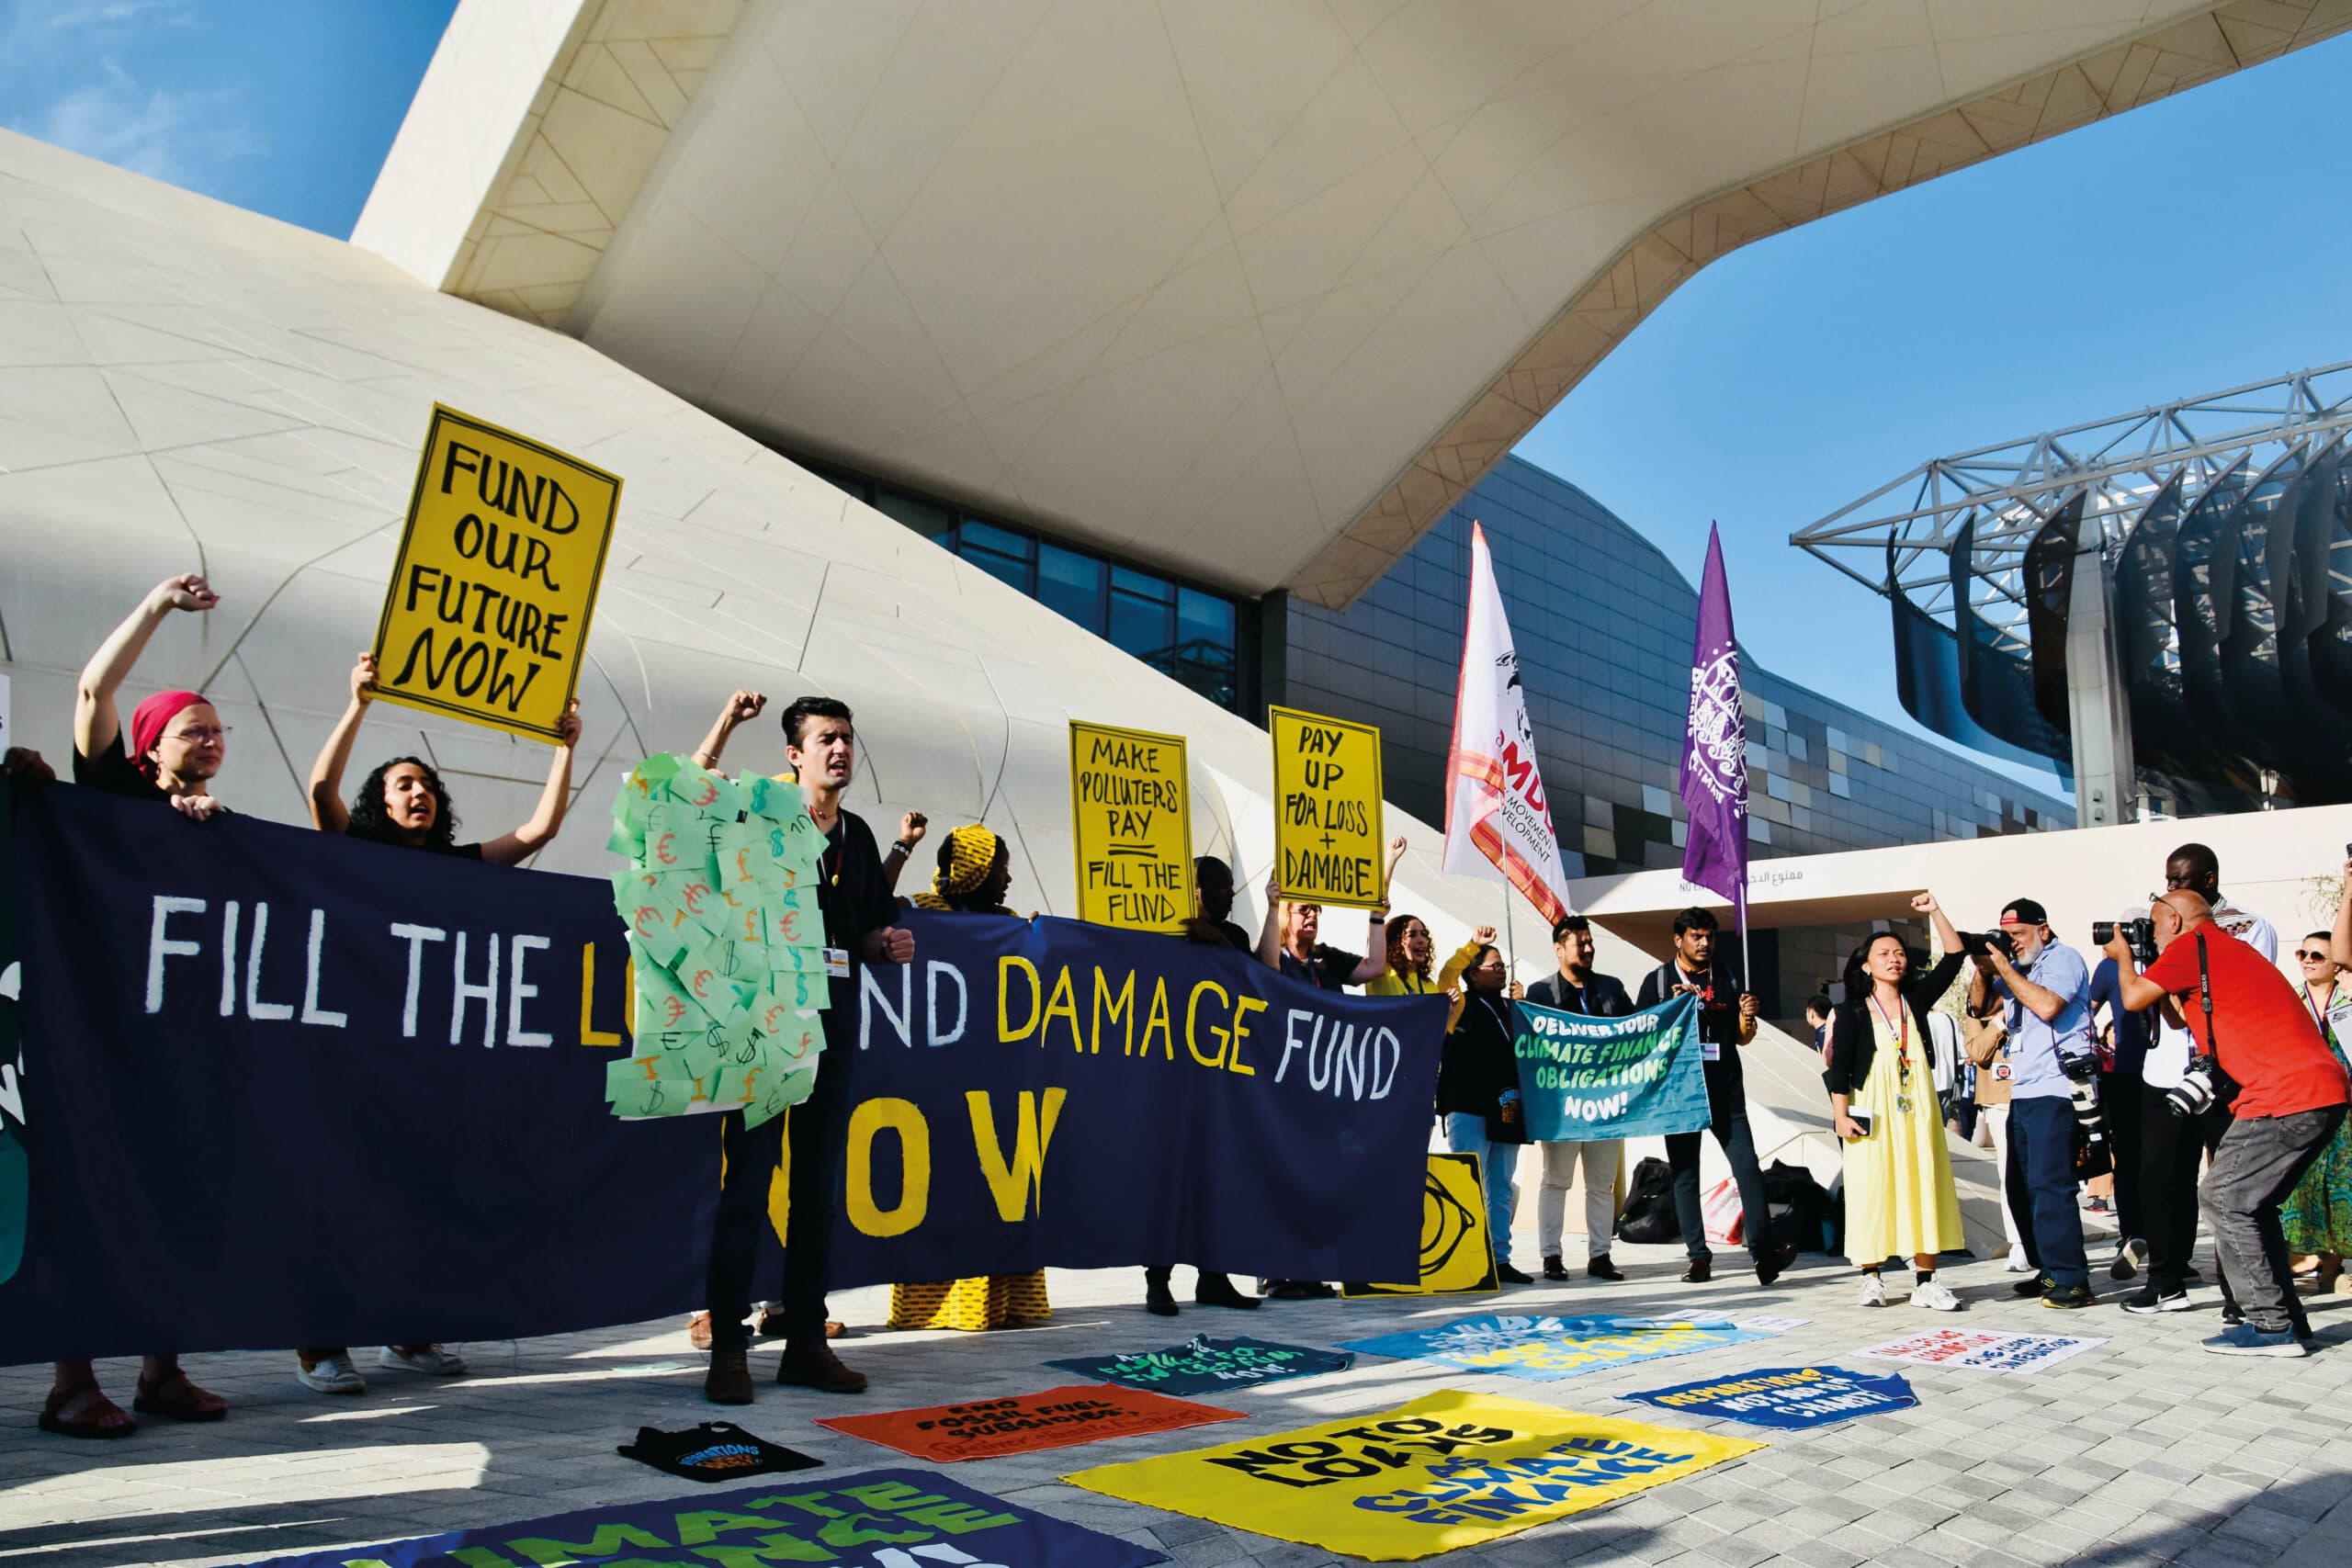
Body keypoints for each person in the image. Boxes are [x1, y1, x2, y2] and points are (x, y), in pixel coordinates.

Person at [287, 654, 591, 1394]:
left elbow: (539, 828)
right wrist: (357, 702)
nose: (418, 793)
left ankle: (410, 1330)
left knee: (419, 1194)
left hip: (427, 1064)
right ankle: (320, 1344)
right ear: (380, 803)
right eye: (403, 785)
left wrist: (565, 744)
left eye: (426, 786)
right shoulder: (356, 850)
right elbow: (321, 789)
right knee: (346, 1194)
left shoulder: (458, 864)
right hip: (356, 1054)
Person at [44, 573, 231, 1438]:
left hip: (169, 1043)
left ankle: (162, 1372)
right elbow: (93, 687)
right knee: (89, 1198)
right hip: (93, 1032)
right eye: (194, 731)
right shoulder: (106, 795)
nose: (212, 743)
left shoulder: (210, 826)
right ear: (150, 743)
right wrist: (159, 606)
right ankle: (72, 1381)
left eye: (219, 733)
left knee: (171, 1198)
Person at [701, 691, 913, 1403]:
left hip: (831, 1031)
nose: (841, 749)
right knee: (747, 1191)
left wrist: (885, 943)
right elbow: (686, 808)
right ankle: (729, 1350)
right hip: (764, 1031)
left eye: (848, 737)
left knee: (817, 1198)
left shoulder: (856, 835)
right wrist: (727, 724)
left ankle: (805, 1345)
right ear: (794, 753)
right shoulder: (759, 815)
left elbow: (860, 931)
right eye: (827, 737)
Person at [2103, 890, 2349, 1354]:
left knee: (2224, 1198)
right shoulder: (2224, 950)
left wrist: (2123, 958)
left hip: (2283, 1095)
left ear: (2174, 921)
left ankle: (2270, 1326)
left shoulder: (2189, 947)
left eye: (2155, 925)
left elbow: (2134, 997)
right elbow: (2177, 1022)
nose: (2152, 935)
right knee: (2251, 1204)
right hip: (2319, 1093)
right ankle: (2288, 1320)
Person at [885, 826, 1053, 1334]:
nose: (1007, 877)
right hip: (935, 1084)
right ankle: (933, 1308)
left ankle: (1005, 1303)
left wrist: (1039, 939)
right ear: (976, 870)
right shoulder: (921, 913)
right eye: (1000, 866)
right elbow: (868, 906)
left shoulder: (1008, 924)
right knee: (942, 1192)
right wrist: (901, 848)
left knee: (999, 1194)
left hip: (997, 1083)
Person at [1251, 849, 1402, 1299]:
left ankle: (1311, 1270)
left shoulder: (1327, 959)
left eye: (1315, 910)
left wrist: (1377, 916)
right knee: (1284, 1178)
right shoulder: (1277, 953)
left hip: (1327, 1092)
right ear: (1286, 918)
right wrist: (1274, 904)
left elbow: (1375, 967)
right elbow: (1265, 970)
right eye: (1303, 910)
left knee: (1324, 1178)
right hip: (1284, 1091)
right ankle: (1276, 1271)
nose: (1312, 916)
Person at [1635, 908, 1793, 1287]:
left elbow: (1739, 1036)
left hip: (1725, 1088)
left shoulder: (1724, 975)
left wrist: (1747, 1018)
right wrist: (1668, 1009)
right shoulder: (1657, 981)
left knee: (1748, 1168)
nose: (1704, 944)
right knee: (1686, 1175)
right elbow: (1639, 1037)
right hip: (1681, 1093)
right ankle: (1698, 1258)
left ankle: (1763, 1252)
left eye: (1709, 936)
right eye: (1696, 937)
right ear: (1678, 940)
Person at [1824, 896, 1967, 1311]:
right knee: (1872, 1188)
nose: (1894, 959)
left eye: (1900, 953)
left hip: (1917, 1108)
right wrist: (1839, 1116)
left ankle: (1926, 1280)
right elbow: (1841, 1069)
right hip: (1871, 1110)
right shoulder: (1850, 1011)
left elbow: (1955, 956)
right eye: (1883, 954)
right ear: (1865, 965)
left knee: (1925, 1184)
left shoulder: (1915, 1002)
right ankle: (1871, 1277)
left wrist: (1935, 912)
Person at [1145, 855, 1265, 1317]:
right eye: (1219, 886)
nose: (1229, 895)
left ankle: (1214, 1278)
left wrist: (1216, 939)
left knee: (1218, 1178)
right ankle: (1158, 1280)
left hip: (1219, 1075)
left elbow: (1257, 984)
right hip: (1168, 1073)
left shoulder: (1232, 936)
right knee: (1167, 1180)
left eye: (1231, 886)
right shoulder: (1161, 928)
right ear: (1194, 889)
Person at [1974, 897, 2097, 1309]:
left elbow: (2047, 1006)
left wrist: (2006, 969)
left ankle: (2072, 1279)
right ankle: (2047, 1270)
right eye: (2006, 937)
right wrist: (1983, 967)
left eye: (2019, 936)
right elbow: (1981, 1006)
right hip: (2023, 1090)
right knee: (2020, 1189)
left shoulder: (2064, 959)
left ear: (2043, 929)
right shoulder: (2015, 968)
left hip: (2058, 1087)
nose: (2013, 944)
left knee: (2050, 1186)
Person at [1524, 916, 1631, 1282]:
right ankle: (1551, 1256)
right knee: (1556, 1181)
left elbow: (1640, 1031)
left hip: (1606, 1105)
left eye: (1590, 942)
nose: (1588, 949)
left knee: (1602, 1184)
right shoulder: (1540, 995)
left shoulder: (1612, 989)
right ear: (1559, 949)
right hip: (1562, 1108)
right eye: (1579, 943)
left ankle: (1600, 1255)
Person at [1438, 944, 1530, 1282]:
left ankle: (1499, 1258)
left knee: (1501, 1186)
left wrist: (1522, 1007)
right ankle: (1467, 1258)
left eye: (1504, 965)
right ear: (1474, 973)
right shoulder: (1460, 1003)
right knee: (1468, 1182)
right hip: (1467, 1104)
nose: (1502, 970)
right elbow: (1445, 977)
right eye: (1494, 966)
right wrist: (1472, 945)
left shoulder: (1511, 1008)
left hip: (1506, 1105)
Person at [2279, 930, 2352, 1294]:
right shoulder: (2288, 999)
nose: (2307, 959)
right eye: (2302, 953)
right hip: (2300, 1105)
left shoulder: (2348, 1000)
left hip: (2345, 1110)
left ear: (2336, 963)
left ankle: (2334, 1265)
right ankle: (2306, 1256)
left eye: (2317, 955)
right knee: (2301, 1185)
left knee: (2342, 1186)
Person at [2088, 938, 2157, 1282]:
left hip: (2133, 1072)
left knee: (2130, 1160)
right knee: (2154, 1160)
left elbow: (2086, 1009)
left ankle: (2134, 1234)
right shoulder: (2163, 959)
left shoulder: (2110, 966)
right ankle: (2147, 1238)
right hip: (2156, 1072)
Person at [1364, 910, 1483, 1004]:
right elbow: (1374, 938)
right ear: (1396, 941)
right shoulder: (1382, 972)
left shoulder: (1430, 986)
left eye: (1424, 934)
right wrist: (1377, 912)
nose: (1421, 940)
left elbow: (1433, 1031)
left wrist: (1448, 1011)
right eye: (1412, 934)